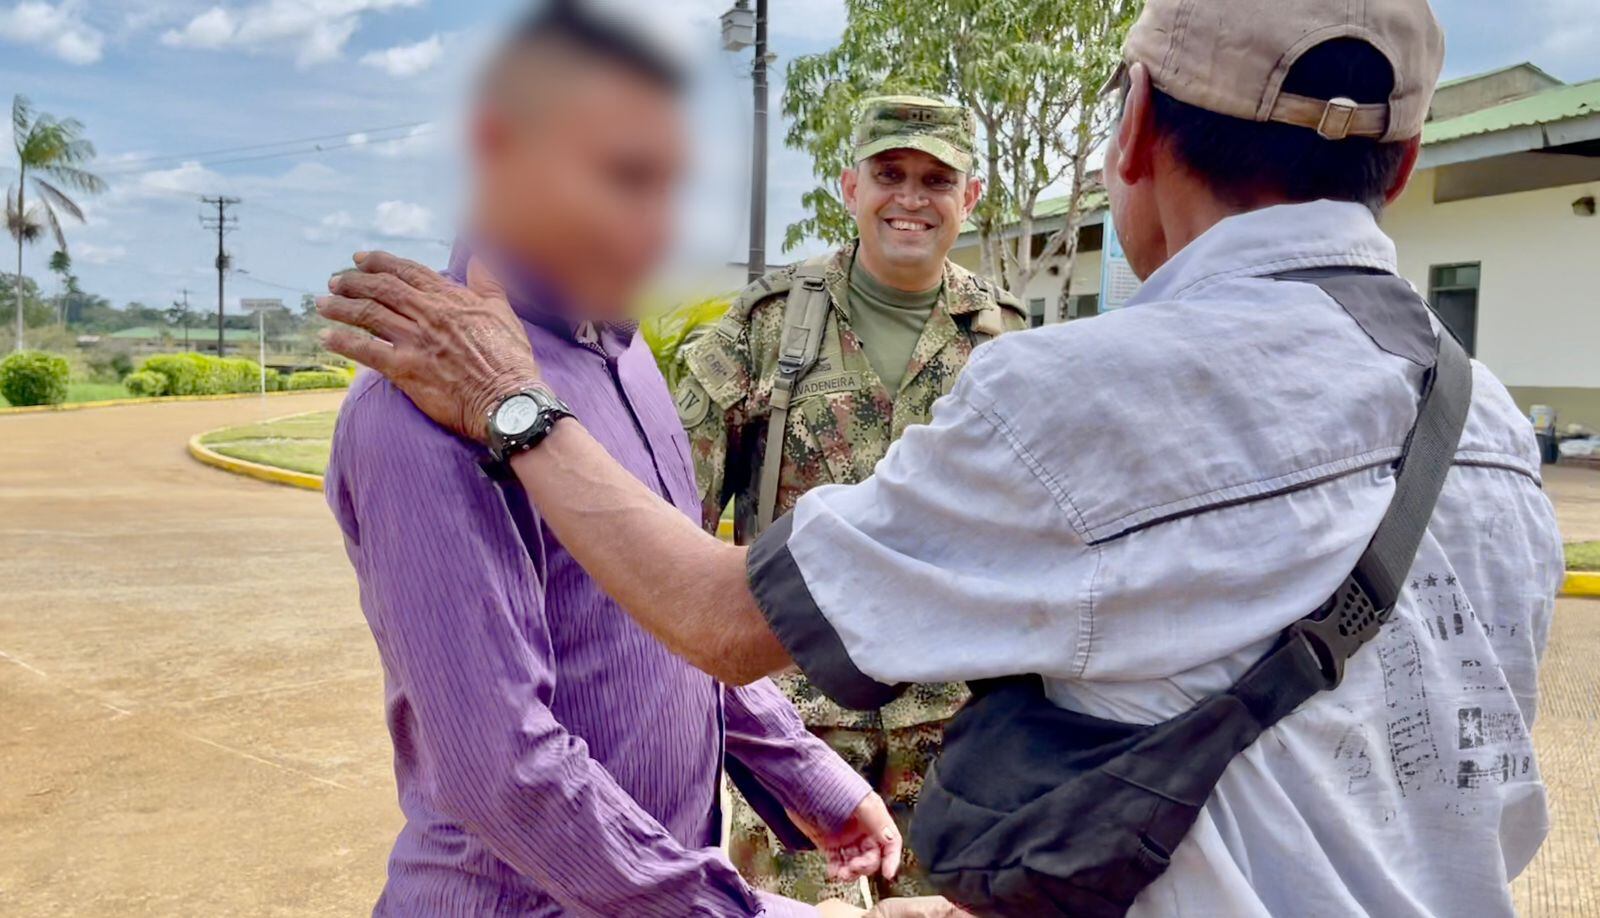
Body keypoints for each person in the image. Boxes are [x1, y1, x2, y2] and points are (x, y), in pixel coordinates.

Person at [320, 0, 1566, 913]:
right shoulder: (1495, 429)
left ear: (1129, 133)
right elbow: (510, 748)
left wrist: (516, 411)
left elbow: (703, 606)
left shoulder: (1063, 378)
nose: (651, 220)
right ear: (1398, 170)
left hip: (896, 777)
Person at [321, 5, 900, 915]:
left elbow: (677, 623)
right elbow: (503, 770)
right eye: (623, 178)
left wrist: (816, 780)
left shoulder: (626, 357)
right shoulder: (421, 399)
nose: (658, 228)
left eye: (670, 185)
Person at [675, 95, 1024, 905]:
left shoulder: (1002, 340)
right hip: (796, 735)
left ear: (969, 198)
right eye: (889, 173)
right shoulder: (767, 329)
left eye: (936, 179)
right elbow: (674, 511)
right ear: (849, 187)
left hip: (952, 737)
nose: (911, 197)